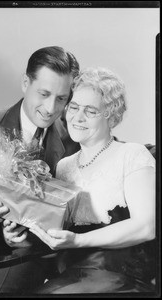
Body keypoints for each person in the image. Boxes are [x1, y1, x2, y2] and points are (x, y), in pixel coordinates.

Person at [0, 46, 80, 293]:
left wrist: (21, 235)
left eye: (62, 98)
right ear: (25, 83)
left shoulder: (72, 141)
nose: (51, 108)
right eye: (44, 93)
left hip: (27, 255)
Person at [26, 67, 156, 294]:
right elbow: (57, 231)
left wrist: (76, 240)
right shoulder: (64, 166)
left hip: (118, 274)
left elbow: (145, 228)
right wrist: (20, 233)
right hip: (68, 272)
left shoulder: (132, 154)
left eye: (91, 111)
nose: (78, 117)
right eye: (74, 107)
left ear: (111, 115)